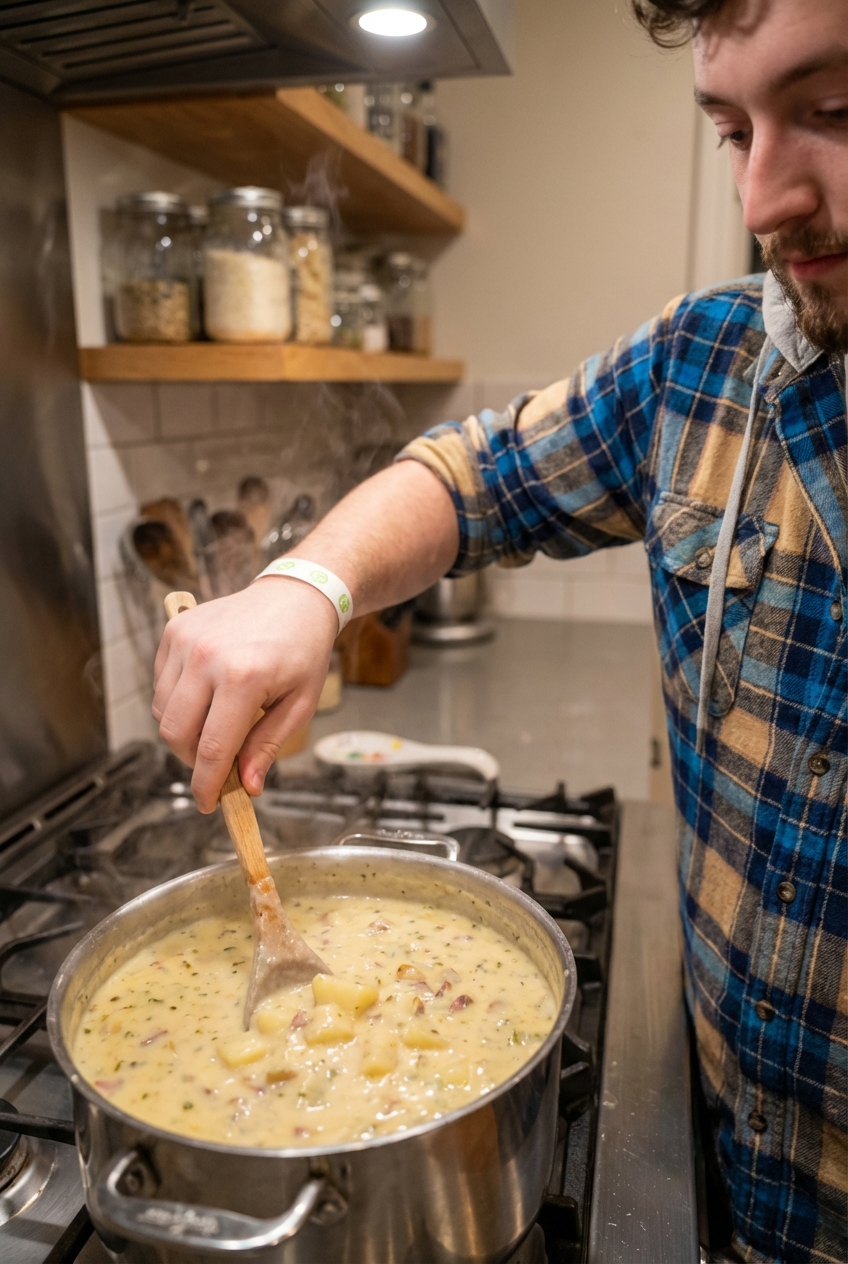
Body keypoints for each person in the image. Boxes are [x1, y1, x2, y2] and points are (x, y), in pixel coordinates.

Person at [152, 0, 847, 1259]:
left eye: (834, 112)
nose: (762, 199)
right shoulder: (707, 368)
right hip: (721, 1166)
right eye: (727, 130)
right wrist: (304, 589)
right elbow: (477, 478)